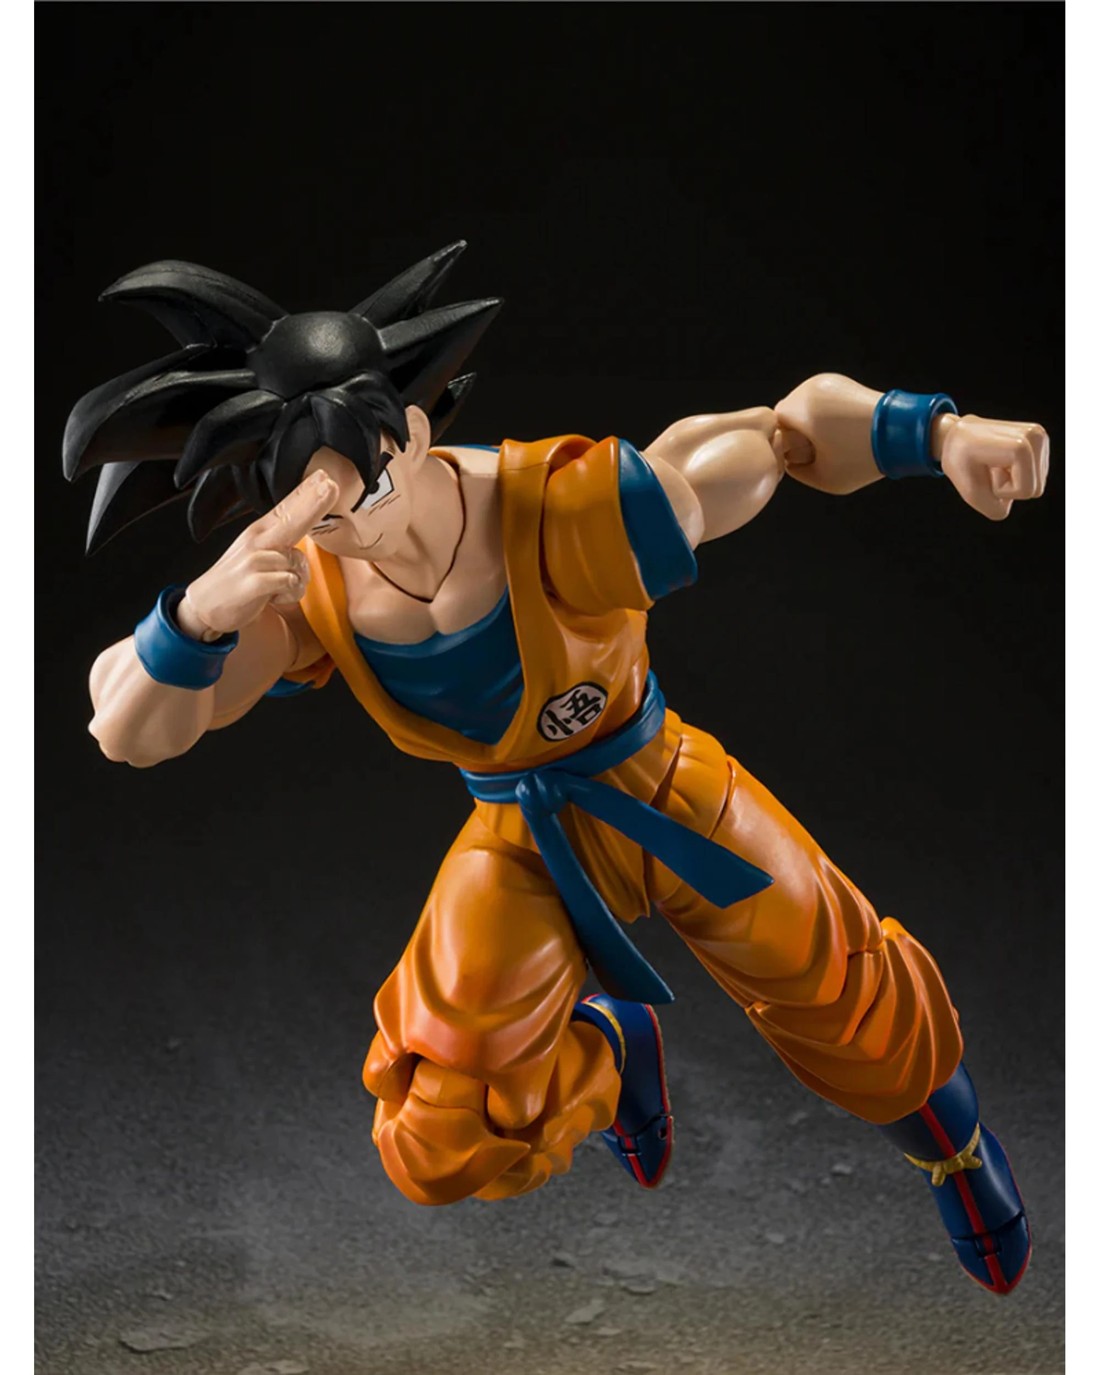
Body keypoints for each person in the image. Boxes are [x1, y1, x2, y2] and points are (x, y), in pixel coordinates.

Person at [64, 244, 1048, 1295]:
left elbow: (783, 436)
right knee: (438, 1133)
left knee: (849, 1000)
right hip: (520, 838)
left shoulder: (569, 508)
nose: (351, 521)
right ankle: (606, 1047)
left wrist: (937, 432)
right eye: (318, 507)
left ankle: (954, 1152)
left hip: (663, 788)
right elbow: (129, 729)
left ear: (412, 428)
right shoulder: (311, 591)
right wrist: (194, 617)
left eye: (364, 478)